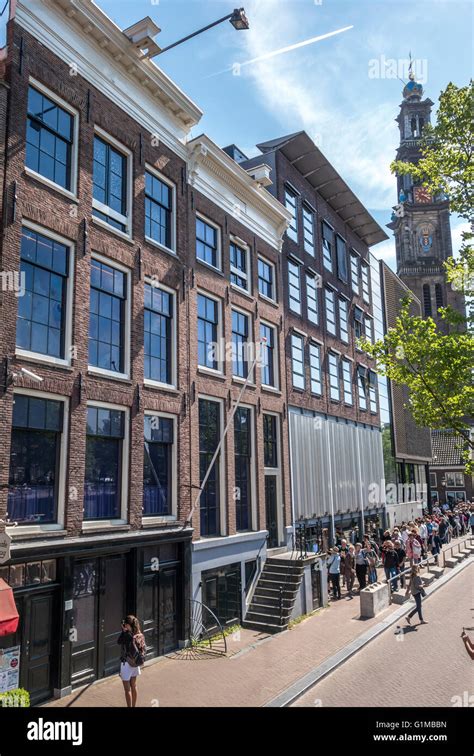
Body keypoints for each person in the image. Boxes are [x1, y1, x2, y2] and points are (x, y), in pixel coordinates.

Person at [117, 615, 146, 707]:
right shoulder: (138, 634)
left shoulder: (127, 635)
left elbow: (118, 641)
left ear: (128, 625)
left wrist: (123, 631)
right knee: (134, 685)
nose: (124, 625)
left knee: (127, 689)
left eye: (125, 624)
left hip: (127, 663)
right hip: (136, 663)